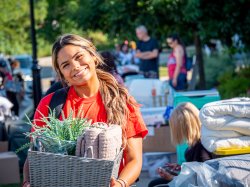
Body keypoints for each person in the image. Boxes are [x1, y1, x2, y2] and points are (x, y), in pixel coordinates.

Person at [22, 34, 148, 187]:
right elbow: (34, 156)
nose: (75, 66)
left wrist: (120, 183)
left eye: (79, 56)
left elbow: (134, 159)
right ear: (62, 75)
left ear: (93, 56)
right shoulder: (50, 104)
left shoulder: (122, 102)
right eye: (66, 65)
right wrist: (28, 181)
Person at [148, 102, 213, 187]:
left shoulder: (201, 148)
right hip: (192, 181)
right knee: (154, 183)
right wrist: (180, 169)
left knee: (154, 185)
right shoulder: (199, 142)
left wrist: (173, 178)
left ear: (184, 126)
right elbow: (195, 171)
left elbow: (202, 181)